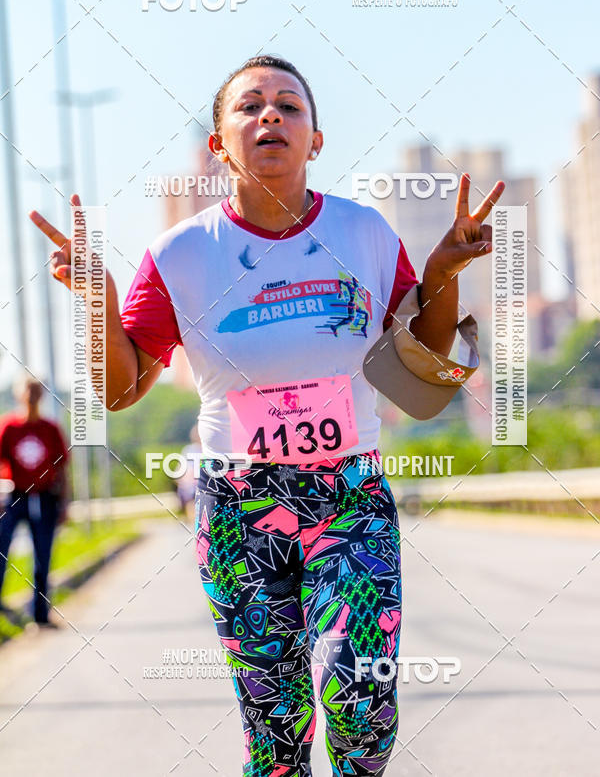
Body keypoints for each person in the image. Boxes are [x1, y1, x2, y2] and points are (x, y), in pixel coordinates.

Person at [30, 54, 504, 776]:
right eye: (249, 107)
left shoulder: (365, 235)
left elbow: (420, 372)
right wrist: (97, 295)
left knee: (361, 708)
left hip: (350, 498)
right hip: (239, 512)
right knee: (276, 736)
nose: (270, 116)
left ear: (316, 139)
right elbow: (122, 390)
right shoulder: (181, 255)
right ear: (219, 143)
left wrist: (440, 274)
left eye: (290, 105)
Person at [0, 376, 70, 626]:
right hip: (14, 497)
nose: (30, 397)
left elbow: (62, 468)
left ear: (40, 396)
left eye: (35, 392)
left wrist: (65, 502)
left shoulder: (50, 429)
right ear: (19, 395)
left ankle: (40, 614)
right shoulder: (9, 427)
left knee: (42, 557)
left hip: (45, 498)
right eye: (26, 391)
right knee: (2, 550)